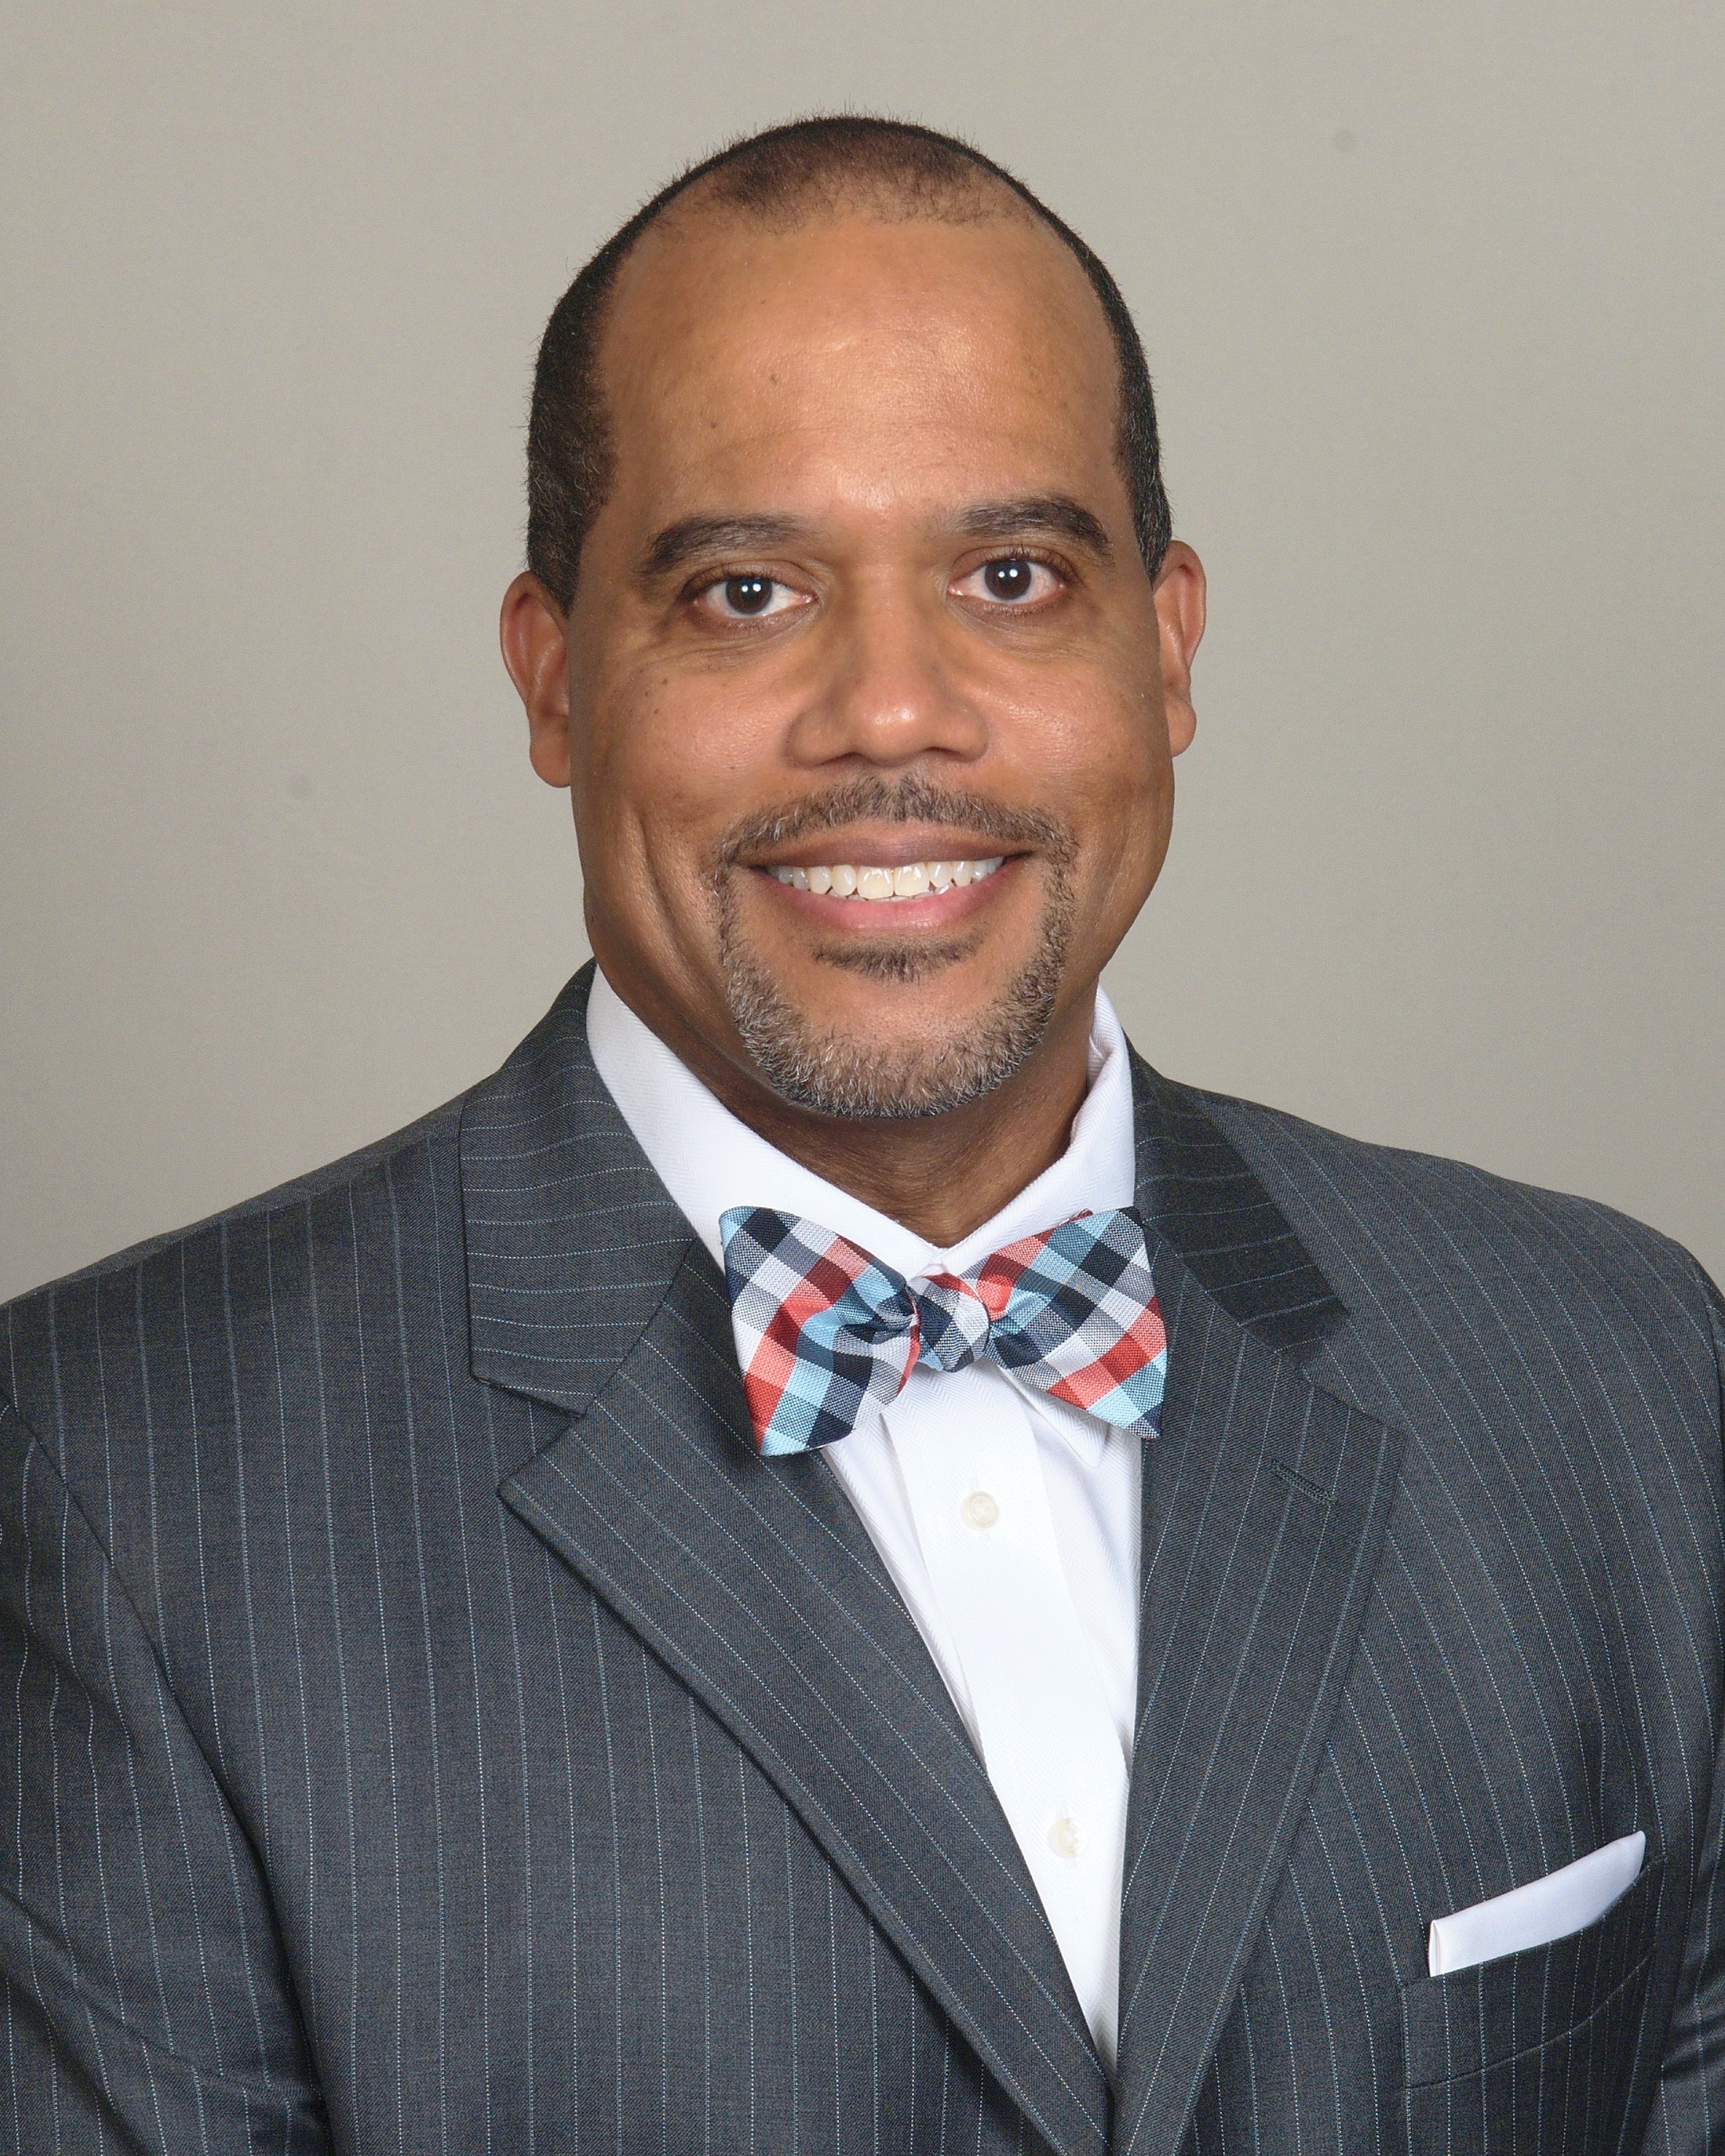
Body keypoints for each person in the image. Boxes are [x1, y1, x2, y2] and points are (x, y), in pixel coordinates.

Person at [2, 114, 1720, 2156]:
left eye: (1012, 576)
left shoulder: (1619, 1377)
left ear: (1166, 648)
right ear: (555, 677)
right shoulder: (116, 1487)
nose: (891, 712)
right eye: (746, 591)